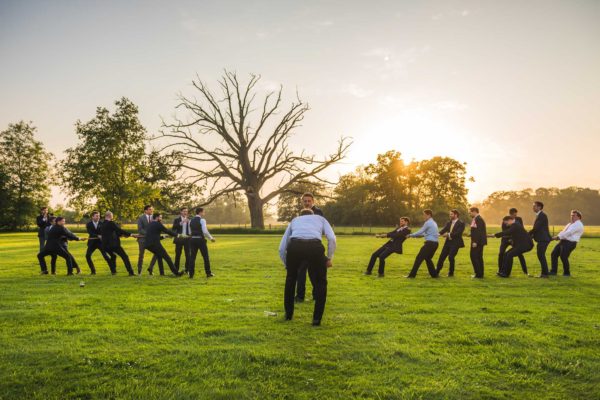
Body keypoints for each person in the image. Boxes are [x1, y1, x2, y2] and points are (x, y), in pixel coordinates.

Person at [279, 207, 336, 326]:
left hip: (295, 246)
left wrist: (287, 265)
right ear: (312, 214)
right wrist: (329, 258)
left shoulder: (295, 220)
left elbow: (282, 247)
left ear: (301, 215)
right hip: (315, 247)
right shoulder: (321, 219)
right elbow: (331, 238)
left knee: (290, 281)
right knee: (321, 283)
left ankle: (288, 315)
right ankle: (316, 320)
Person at [294, 192, 324, 303]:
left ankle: (316, 295)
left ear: (313, 201)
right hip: (301, 246)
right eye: (305, 201)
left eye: (309, 201)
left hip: (314, 246)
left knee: (314, 272)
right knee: (301, 272)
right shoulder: (301, 213)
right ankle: (300, 296)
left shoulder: (318, 213)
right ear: (302, 202)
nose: (307, 203)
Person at [405, 210, 439, 278]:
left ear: (429, 215)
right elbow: (426, 233)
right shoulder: (434, 223)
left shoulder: (428, 223)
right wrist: (417, 236)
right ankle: (434, 275)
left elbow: (420, 231)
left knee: (419, 258)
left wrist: (410, 235)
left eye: (424, 215)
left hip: (429, 244)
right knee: (428, 258)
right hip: (435, 244)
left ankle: (412, 275)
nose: (423, 216)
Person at [100, 211, 136, 276]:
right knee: (125, 256)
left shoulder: (102, 224)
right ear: (110, 216)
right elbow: (118, 230)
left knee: (113, 256)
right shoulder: (111, 223)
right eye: (112, 216)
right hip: (114, 245)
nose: (112, 217)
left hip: (105, 246)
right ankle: (131, 272)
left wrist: (121, 235)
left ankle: (113, 271)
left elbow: (111, 232)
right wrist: (130, 234)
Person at [550, 210, 584, 277]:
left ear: (579, 217)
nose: (572, 217)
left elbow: (568, 233)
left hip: (570, 243)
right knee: (554, 254)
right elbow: (563, 231)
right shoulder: (570, 224)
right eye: (571, 215)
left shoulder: (578, 224)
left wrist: (557, 237)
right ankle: (553, 271)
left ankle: (567, 273)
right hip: (563, 241)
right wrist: (558, 236)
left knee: (563, 257)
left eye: (574, 215)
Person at [497, 208, 528, 275]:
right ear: (510, 214)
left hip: (514, 239)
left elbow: (521, 229)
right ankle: (500, 270)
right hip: (505, 239)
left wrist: (513, 239)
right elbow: (505, 231)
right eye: (514, 215)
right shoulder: (505, 220)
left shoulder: (519, 219)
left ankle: (525, 271)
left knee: (520, 254)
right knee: (501, 253)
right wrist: (509, 238)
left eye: (516, 215)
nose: (515, 216)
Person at [435, 209, 465, 277]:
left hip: (456, 243)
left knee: (451, 257)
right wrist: (437, 234)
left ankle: (451, 273)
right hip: (448, 242)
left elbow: (458, 233)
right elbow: (444, 229)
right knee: (441, 256)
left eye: (451, 214)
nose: (450, 215)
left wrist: (448, 235)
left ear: (456, 215)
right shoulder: (449, 222)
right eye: (450, 214)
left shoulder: (461, 223)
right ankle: (436, 272)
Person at [189, 207, 216, 279]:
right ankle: (208, 273)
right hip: (200, 240)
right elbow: (205, 231)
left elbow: (189, 232)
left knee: (192, 257)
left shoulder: (190, 220)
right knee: (205, 257)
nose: (204, 213)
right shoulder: (202, 220)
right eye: (204, 211)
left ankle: (191, 274)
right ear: (200, 212)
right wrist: (211, 238)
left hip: (192, 240)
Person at [529, 201, 552, 277]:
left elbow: (536, 228)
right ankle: (545, 273)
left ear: (539, 207)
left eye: (534, 206)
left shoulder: (542, 215)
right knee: (541, 255)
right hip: (542, 239)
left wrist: (528, 234)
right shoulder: (539, 215)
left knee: (541, 255)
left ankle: (545, 274)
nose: (533, 207)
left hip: (543, 239)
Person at [85, 211, 111, 275]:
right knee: (87, 256)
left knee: (105, 256)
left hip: (101, 243)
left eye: (99, 216)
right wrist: (98, 236)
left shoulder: (102, 223)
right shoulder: (89, 224)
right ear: (92, 217)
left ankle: (113, 270)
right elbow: (90, 232)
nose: (98, 217)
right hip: (92, 243)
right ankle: (93, 271)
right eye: (97, 216)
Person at [136, 205, 157, 275]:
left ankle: (150, 268)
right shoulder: (141, 218)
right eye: (150, 209)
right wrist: (148, 234)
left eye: (152, 209)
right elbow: (140, 229)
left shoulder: (154, 218)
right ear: (145, 211)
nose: (151, 211)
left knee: (157, 253)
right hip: (142, 240)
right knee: (141, 255)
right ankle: (139, 271)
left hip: (152, 240)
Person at [172, 207, 191, 274]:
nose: (185, 212)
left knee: (188, 255)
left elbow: (192, 229)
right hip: (179, 239)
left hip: (187, 239)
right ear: (181, 212)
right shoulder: (177, 220)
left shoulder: (190, 220)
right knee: (178, 254)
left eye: (186, 211)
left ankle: (187, 270)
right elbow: (174, 228)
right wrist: (181, 222)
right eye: (184, 211)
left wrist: (190, 223)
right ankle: (176, 270)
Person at [469, 207, 487, 278]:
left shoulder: (478, 219)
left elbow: (479, 232)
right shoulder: (477, 219)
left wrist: (475, 242)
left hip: (477, 242)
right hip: (478, 242)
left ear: (474, 211)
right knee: (478, 257)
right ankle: (480, 274)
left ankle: (478, 274)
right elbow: (476, 230)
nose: (469, 214)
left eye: (470, 212)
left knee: (474, 256)